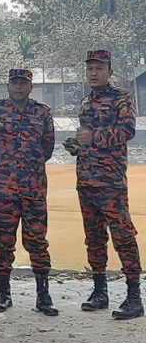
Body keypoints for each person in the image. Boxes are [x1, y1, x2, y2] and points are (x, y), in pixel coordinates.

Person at [63, 50, 143, 320]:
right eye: (90, 69)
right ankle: (100, 292)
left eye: (99, 68)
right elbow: (87, 141)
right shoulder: (86, 102)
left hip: (110, 182)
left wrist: (93, 136)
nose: (94, 73)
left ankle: (134, 297)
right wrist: (76, 145)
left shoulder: (121, 97)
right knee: (94, 239)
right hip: (86, 180)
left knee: (123, 236)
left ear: (110, 71)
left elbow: (127, 131)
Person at [0, 69, 58, 316]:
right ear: (8, 86)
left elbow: (48, 147)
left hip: (33, 189)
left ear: (30, 87)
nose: (18, 88)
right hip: (3, 189)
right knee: (3, 241)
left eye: (23, 84)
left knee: (38, 241)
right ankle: (3, 293)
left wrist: (29, 165)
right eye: (14, 84)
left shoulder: (42, 112)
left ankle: (43, 295)